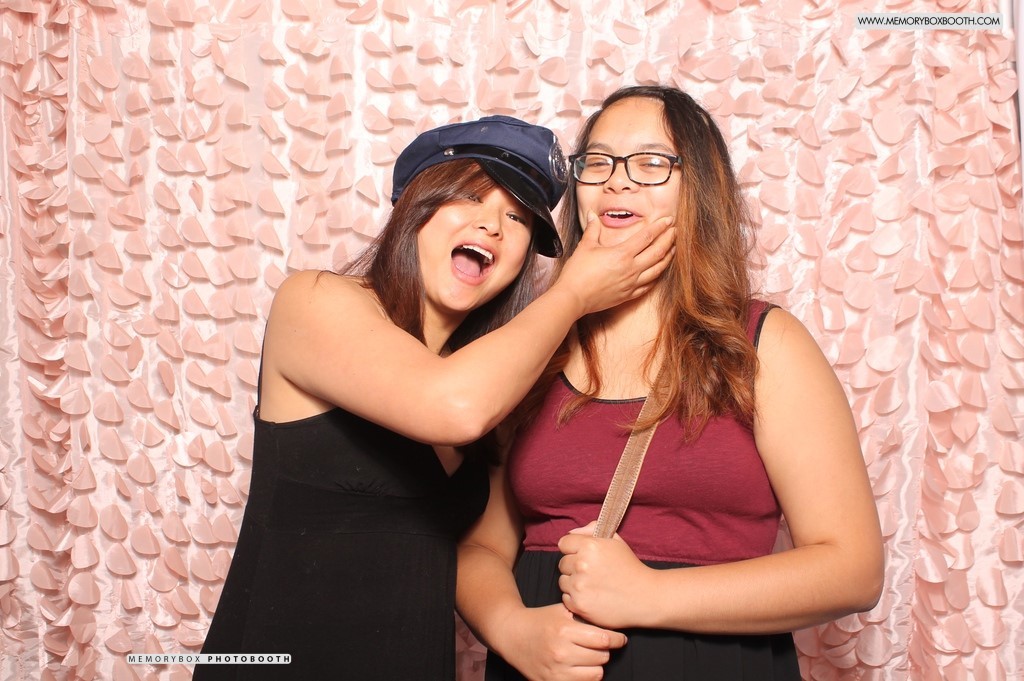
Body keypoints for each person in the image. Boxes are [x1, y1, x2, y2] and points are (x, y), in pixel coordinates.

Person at [194, 114, 675, 680]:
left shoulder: (496, 383)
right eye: (469, 196)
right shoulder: (315, 300)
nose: (492, 225)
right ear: (413, 206)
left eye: (517, 217)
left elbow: (483, 549)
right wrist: (572, 294)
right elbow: (452, 408)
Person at [457, 86, 885, 680]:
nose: (617, 181)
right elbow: (481, 546)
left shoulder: (764, 344)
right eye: (598, 162)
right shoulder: (535, 344)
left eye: (651, 162)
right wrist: (512, 629)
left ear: (698, 190)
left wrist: (649, 596)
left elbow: (853, 570)